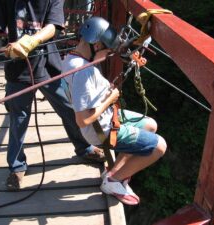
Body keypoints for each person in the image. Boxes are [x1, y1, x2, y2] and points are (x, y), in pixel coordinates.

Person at [0, 0, 105, 191]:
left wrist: (32, 40)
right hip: (17, 69)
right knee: (19, 118)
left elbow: (53, 26)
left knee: (69, 108)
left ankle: (85, 148)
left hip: (48, 66)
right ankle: (17, 167)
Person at [62, 17, 167, 205]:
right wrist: (109, 99)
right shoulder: (83, 72)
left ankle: (113, 172)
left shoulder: (71, 59)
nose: (109, 54)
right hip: (100, 129)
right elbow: (83, 120)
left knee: (151, 125)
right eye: (107, 49)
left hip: (104, 118)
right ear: (97, 44)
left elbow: (86, 93)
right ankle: (113, 181)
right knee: (159, 146)